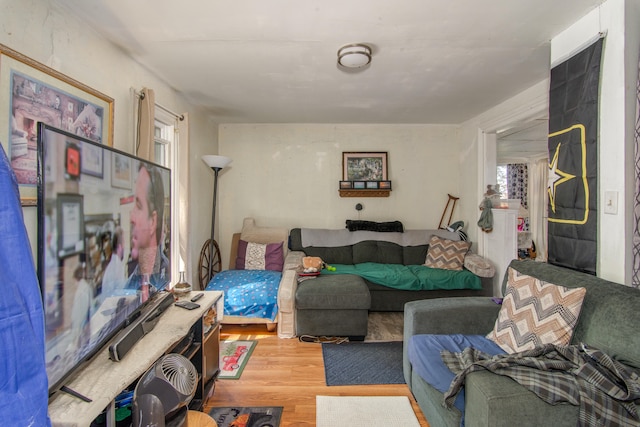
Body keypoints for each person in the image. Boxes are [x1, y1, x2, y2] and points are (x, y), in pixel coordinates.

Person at [127, 162, 170, 301]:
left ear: (153, 221)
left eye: (138, 206)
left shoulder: (164, 271)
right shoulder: (126, 288)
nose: (131, 217)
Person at [101, 226, 126, 300]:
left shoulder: (113, 265)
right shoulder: (117, 267)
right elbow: (120, 298)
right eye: (124, 243)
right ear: (119, 246)